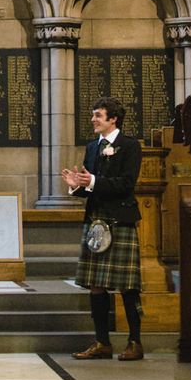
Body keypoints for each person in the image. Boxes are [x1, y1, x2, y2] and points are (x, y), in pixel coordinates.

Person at [62, 96, 144, 361]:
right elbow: (91, 188)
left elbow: (126, 183)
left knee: (127, 286)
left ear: (113, 119)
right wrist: (77, 185)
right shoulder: (92, 146)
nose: (93, 119)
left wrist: (93, 181)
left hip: (120, 220)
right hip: (96, 219)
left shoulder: (130, 146)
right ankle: (102, 342)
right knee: (95, 284)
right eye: (94, 115)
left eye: (98, 115)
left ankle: (135, 342)